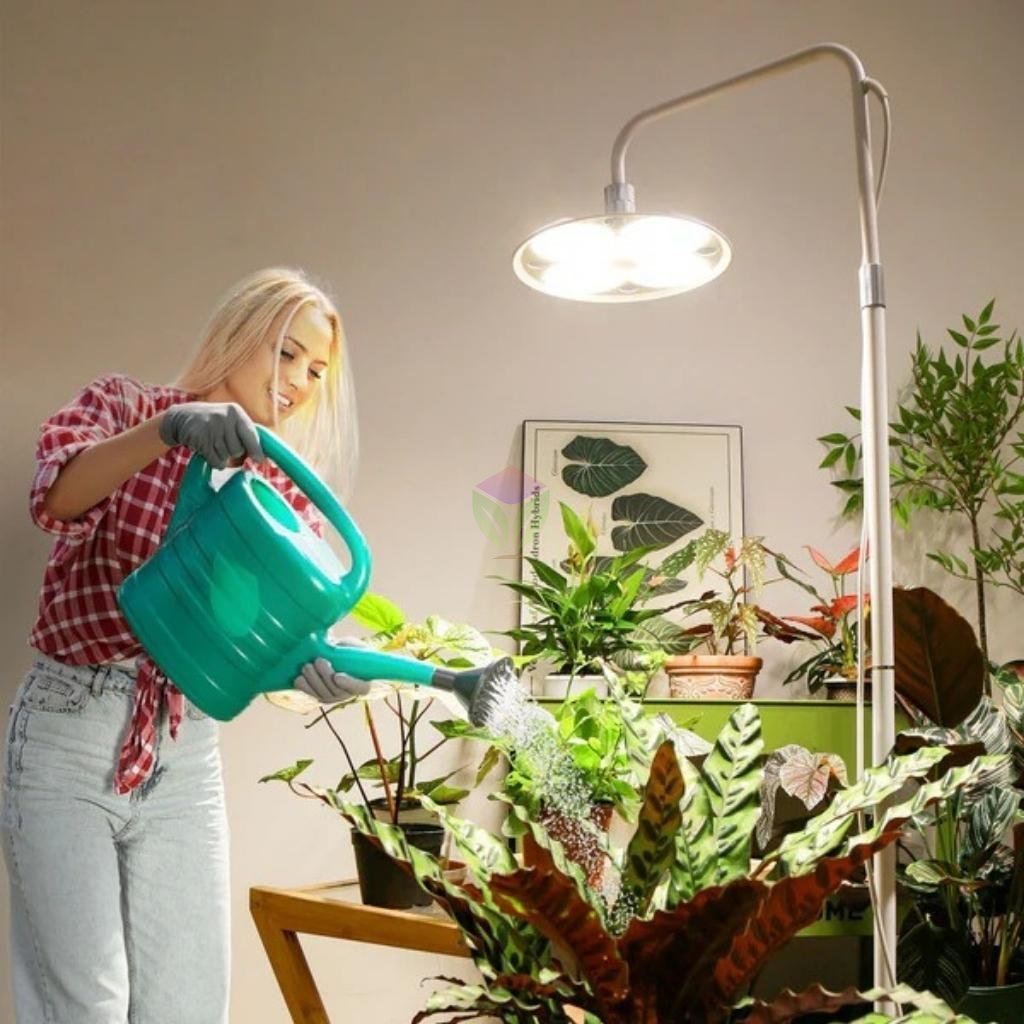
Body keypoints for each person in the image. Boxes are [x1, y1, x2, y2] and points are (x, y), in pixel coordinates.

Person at [1, 267, 371, 1024]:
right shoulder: (125, 407)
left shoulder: (277, 490)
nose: (298, 381)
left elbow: (247, 640)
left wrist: (312, 669)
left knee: (189, 1006)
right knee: (86, 1007)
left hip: (184, 750)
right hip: (68, 732)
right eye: (287, 352)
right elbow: (56, 498)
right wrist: (169, 429)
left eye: (315, 370)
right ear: (240, 332)